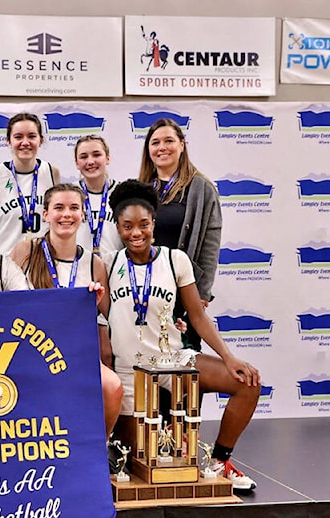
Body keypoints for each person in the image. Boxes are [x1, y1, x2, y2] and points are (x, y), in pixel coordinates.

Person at [106, 180, 260, 492]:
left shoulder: (175, 259)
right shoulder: (107, 263)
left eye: (143, 225)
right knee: (140, 461)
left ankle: (220, 460)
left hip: (172, 360)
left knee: (247, 382)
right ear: (118, 228)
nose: (136, 233)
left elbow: (198, 316)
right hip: (128, 372)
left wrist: (230, 358)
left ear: (154, 223)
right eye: (127, 226)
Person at [10, 183, 123, 435]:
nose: (66, 214)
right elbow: (6, 303)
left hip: (73, 354)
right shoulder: (26, 251)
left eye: (74, 208)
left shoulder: (94, 263)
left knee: (113, 387)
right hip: (28, 351)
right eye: (58, 208)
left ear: (83, 214)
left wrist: (92, 306)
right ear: (46, 214)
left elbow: (110, 316)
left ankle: (97, 451)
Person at [138, 117, 222, 351]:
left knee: (184, 364)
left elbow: (210, 242)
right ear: (148, 150)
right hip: (147, 290)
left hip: (183, 292)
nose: (161, 147)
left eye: (169, 141)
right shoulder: (141, 188)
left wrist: (202, 293)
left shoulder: (201, 189)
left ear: (182, 145)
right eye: (155, 143)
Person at [0, 113, 60, 254]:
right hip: (5, 262)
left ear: (40, 140)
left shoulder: (52, 173)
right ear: (9, 141)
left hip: (42, 263)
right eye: (18, 137)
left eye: (32, 136)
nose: (25, 142)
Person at [73, 134, 122, 258]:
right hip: (78, 270)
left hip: (117, 269)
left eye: (96, 155)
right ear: (77, 163)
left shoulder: (123, 193)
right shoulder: (69, 194)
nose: (90, 161)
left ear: (107, 158)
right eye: (83, 157)